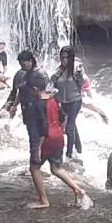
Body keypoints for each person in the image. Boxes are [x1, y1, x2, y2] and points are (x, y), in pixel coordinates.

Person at [23, 71, 90, 209]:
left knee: (34, 167)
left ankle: (43, 200)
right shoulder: (53, 99)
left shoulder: (37, 104)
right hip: (58, 137)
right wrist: (60, 130)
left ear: (35, 89)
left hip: (47, 139)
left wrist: (38, 149)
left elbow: (42, 128)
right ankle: (78, 190)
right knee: (56, 168)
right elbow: (63, 117)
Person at [51, 46, 92, 161]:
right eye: (62, 57)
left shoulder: (76, 68)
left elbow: (82, 83)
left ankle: (68, 155)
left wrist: (79, 74)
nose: (64, 60)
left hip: (74, 101)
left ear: (71, 58)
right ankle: (79, 148)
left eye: (66, 58)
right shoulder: (59, 70)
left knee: (69, 126)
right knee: (72, 125)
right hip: (63, 102)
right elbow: (51, 83)